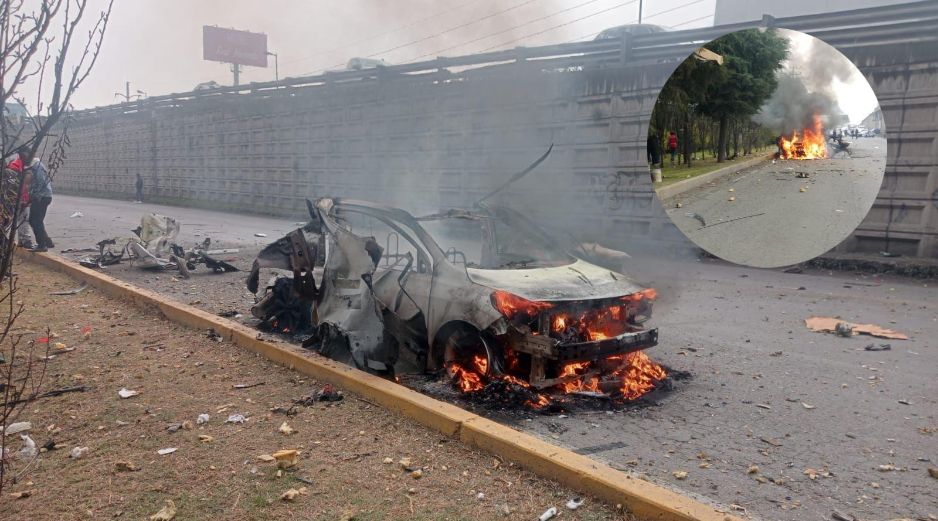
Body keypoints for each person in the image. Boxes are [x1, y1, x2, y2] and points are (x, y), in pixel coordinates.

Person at [19, 146, 54, 252]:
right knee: (34, 220)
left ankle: (42, 245)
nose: (22, 159)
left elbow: (41, 182)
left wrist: (33, 196)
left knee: (35, 221)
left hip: (41, 197)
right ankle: (46, 242)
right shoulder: (33, 165)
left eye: (23, 156)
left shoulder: (36, 166)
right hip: (41, 196)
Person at [6, 153, 35, 249]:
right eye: (30, 155)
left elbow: (26, 185)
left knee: (23, 219)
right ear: (23, 155)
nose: (31, 157)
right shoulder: (15, 166)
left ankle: (23, 240)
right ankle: (25, 240)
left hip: (23, 198)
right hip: (15, 199)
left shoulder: (24, 166)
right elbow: (14, 186)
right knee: (15, 220)